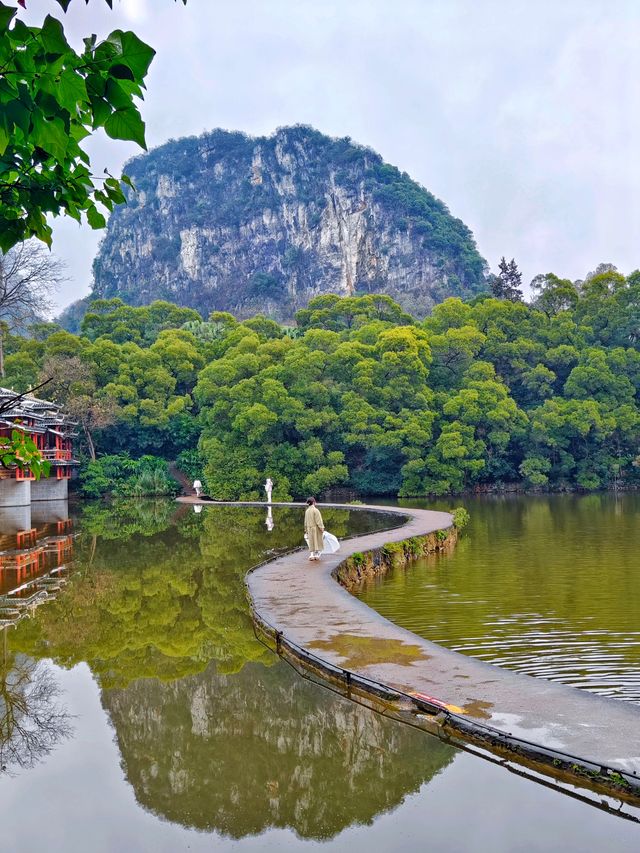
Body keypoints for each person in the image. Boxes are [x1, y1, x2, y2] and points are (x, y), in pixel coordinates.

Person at [304, 497, 324, 561]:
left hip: (309, 528)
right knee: (317, 541)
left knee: (311, 541)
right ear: (313, 502)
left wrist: (306, 529)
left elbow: (305, 521)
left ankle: (311, 555)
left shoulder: (307, 511)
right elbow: (319, 521)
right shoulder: (316, 510)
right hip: (315, 528)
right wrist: (321, 528)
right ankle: (317, 555)